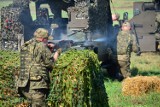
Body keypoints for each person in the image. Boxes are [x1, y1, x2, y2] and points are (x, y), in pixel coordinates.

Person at [17, 28, 61, 107]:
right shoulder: (42, 46)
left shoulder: (25, 46)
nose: (47, 41)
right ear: (43, 39)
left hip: (23, 84)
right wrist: (57, 52)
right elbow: (51, 64)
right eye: (46, 39)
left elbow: (34, 59)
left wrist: (47, 49)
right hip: (37, 85)